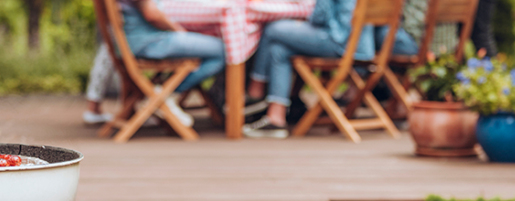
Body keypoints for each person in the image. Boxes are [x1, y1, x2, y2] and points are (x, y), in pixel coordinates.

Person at [242, 0, 374, 139]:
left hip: (338, 41)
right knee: (278, 50)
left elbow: (320, 16)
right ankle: (275, 117)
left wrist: (302, 23)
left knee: (272, 29)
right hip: (360, 46)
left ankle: (255, 93)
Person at [117, 0, 226, 127]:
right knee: (224, 50)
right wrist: (178, 30)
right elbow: (152, 14)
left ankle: (162, 93)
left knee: (206, 44)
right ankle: (167, 93)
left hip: (136, 43)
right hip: (151, 42)